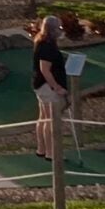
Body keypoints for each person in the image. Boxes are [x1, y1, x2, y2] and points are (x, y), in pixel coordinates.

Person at [32, 15, 69, 161]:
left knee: (43, 117)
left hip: (41, 85)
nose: (61, 30)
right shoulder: (47, 46)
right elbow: (45, 69)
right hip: (47, 87)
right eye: (59, 27)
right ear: (53, 29)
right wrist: (56, 87)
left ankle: (41, 149)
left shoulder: (42, 40)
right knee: (50, 119)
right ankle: (51, 153)